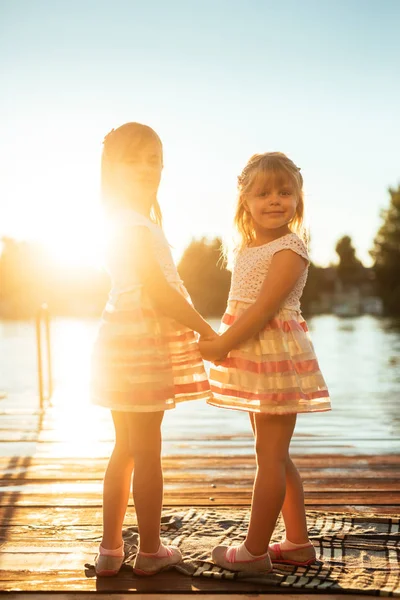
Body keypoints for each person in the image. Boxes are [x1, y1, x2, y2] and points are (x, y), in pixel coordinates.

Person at [91, 122, 216, 577]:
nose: (147, 167)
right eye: (134, 159)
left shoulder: (123, 220)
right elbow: (161, 292)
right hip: (139, 342)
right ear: (111, 167)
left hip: (118, 341)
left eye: (154, 159)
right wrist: (209, 333)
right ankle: (149, 549)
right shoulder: (133, 225)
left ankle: (109, 550)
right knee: (146, 450)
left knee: (124, 446)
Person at [199, 152, 331, 573]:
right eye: (264, 193)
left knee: (270, 455)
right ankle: (296, 542)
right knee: (273, 451)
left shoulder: (290, 248)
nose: (276, 200)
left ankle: (254, 552)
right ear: (245, 201)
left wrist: (222, 345)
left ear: (298, 199)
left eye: (285, 192)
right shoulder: (247, 247)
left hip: (276, 357)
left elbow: (262, 311)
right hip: (256, 357)